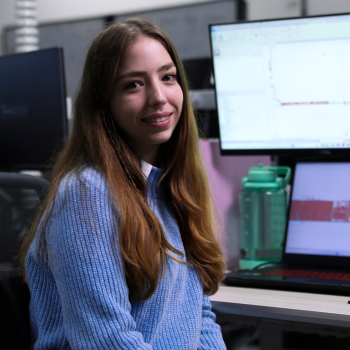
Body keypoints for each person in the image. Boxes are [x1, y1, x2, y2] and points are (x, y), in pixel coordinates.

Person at [21, 18, 227, 350]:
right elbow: (107, 341)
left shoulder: (168, 187)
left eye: (168, 77)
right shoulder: (86, 194)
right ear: (104, 104)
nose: (159, 97)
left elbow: (198, 317)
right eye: (133, 84)